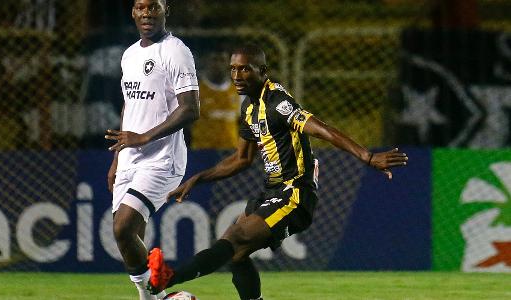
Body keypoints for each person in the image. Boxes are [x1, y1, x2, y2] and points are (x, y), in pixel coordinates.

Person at [147, 45, 408, 300]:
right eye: (233, 69)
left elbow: (321, 129)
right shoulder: (249, 107)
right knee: (235, 255)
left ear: (263, 71)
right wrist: (197, 178)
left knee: (235, 239)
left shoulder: (277, 102)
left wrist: (367, 156)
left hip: (294, 193)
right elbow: (242, 158)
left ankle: (169, 278)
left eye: (245, 69)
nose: (237, 76)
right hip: (271, 191)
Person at [104, 0, 200, 299]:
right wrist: (118, 157)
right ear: (132, 12)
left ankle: (152, 297)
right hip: (131, 158)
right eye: (141, 7)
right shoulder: (130, 54)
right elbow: (130, 106)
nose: (147, 13)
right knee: (130, 236)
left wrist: (144, 138)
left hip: (162, 160)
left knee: (122, 228)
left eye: (154, 7)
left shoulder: (175, 51)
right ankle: (161, 298)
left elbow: (191, 109)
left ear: (165, 10)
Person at [190, 50, 242, 149]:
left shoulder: (238, 92)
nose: (218, 64)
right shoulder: (195, 91)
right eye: (214, 60)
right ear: (206, 62)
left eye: (222, 60)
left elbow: (242, 123)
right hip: (202, 151)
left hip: (230, 150)